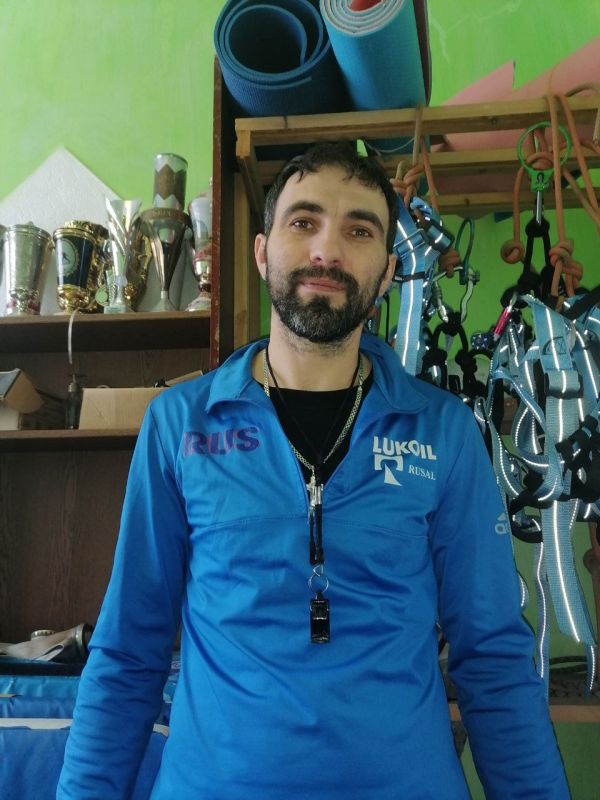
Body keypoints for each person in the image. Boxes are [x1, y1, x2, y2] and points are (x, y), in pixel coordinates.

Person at [57, 142, 570, 799]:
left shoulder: (444, 434)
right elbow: (129, 652)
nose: (328, 250)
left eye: (359, 230)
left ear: (387, 273)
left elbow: (493, 658)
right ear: (262, 251)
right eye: (304, 222)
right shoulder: (180, 425)